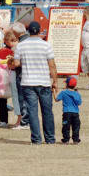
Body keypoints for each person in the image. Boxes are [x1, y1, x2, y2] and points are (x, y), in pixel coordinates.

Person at [14, 17, 57, 145]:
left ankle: (36, 139)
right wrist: (55, 81)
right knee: (47, 111)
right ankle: (50, 138)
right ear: (39, 31)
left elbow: (16, 63)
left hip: (28, 82)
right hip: (44, 81)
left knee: (32, 111)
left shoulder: (20, 46)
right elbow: (52, 65)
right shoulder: (46, 45)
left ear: (28, 31)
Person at [60, 75, 83, 143]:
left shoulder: (63, 92)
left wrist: (54, 92)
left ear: (67, 84)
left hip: (66, 112)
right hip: (75, 113)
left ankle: (66, 139)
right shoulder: (77, 93)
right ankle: (75, 140)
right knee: (76, 126)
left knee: (65, 126)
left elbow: (56, 99)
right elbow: (79, 103)